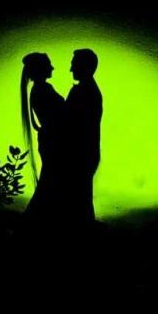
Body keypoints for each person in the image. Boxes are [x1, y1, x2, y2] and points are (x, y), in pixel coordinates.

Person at [21, 52, 66, 221]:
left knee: (49, 182)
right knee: (50, 183)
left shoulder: (38, 89)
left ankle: (36, 220)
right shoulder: (44, 89)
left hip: (49, 140)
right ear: (40, 69)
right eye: (48, 65)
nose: (52, 68)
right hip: (54, 141)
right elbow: (59, 116)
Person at [64, 49, 103, 223]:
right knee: (81, 197)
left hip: (80, 153)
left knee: (79, 197)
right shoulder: (89, 90)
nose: (71, 69)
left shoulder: (84, 92)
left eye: (74, 65)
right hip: (86, 153)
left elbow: (73, 124)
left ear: (84, 66)